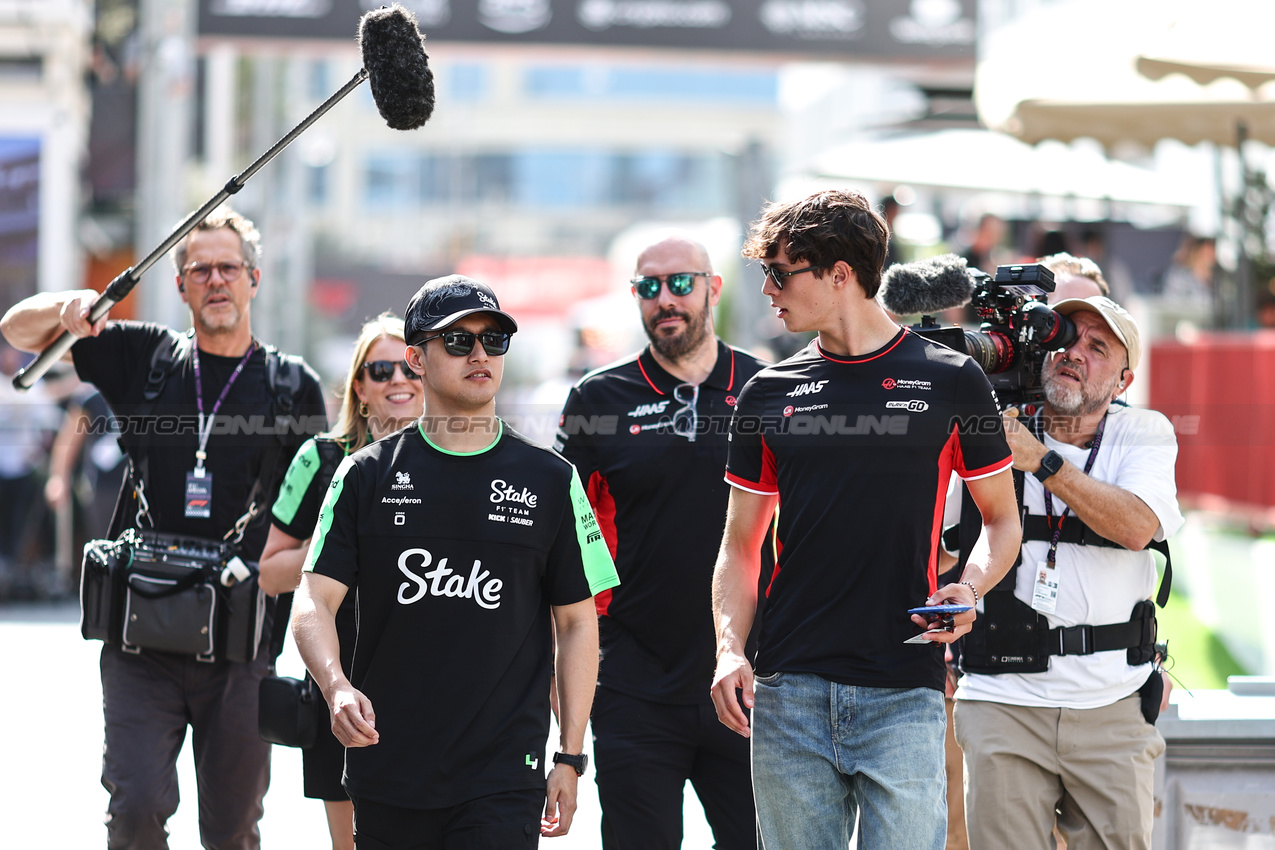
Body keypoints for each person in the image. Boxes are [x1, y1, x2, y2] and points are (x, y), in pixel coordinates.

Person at [0, 205, 328, 849]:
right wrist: (70, 305)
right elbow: (16, 329)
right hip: (140, 639)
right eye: (198, 268)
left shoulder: (293, 388)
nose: (214, 280)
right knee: (136, 811)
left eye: (228, 267)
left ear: (253, 279)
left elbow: (316, 526)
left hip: (241, 645)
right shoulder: (144, 356)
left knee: (232, 831)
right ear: (179, 285)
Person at [709, 189, 1022, 849]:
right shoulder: (767, 392)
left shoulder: (952, 379)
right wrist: (728, 649)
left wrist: (968, 587)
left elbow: (1000, 522)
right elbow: (739, 547)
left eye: (780, 272)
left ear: (839, 274)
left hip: (905, 690)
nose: (766, 289)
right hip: (786, 692)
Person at [292, 275, 621, 849]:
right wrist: (336, 685)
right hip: (386, 764)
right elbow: (313, 599)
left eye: (493, 341)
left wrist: (570, 754)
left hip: (502, 778)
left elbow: (576, 622)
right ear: (416, 359)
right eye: (458, 341)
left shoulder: (550, 479)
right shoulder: (365, 474)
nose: (479, 354)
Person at [554, 235, 766, 849]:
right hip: (633, 686)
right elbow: (564, 540)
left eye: (681, 283)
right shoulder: (597, 399)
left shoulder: (768, 387)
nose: (665, 300)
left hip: (750, 678)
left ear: (713, 288)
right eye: (649, 288)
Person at [954, 296, 1184, 850]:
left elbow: (1137, 527)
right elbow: (937, 547)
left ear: (1123, 380)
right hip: (1002, 701)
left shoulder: (1143, 431)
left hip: (1112, 703)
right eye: (1065, 340)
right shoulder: (992, 429)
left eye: (1096, 347)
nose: (1073, 354)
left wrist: (1045, 463)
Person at [259, 313, 423, 850]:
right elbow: (268, 571)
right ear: (360, 385)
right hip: (342, 688)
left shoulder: (461, 458)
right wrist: (337, 545)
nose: (397, 380)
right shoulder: (321, 457)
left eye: (408, 366)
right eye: (380, 370)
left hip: (433, 687)